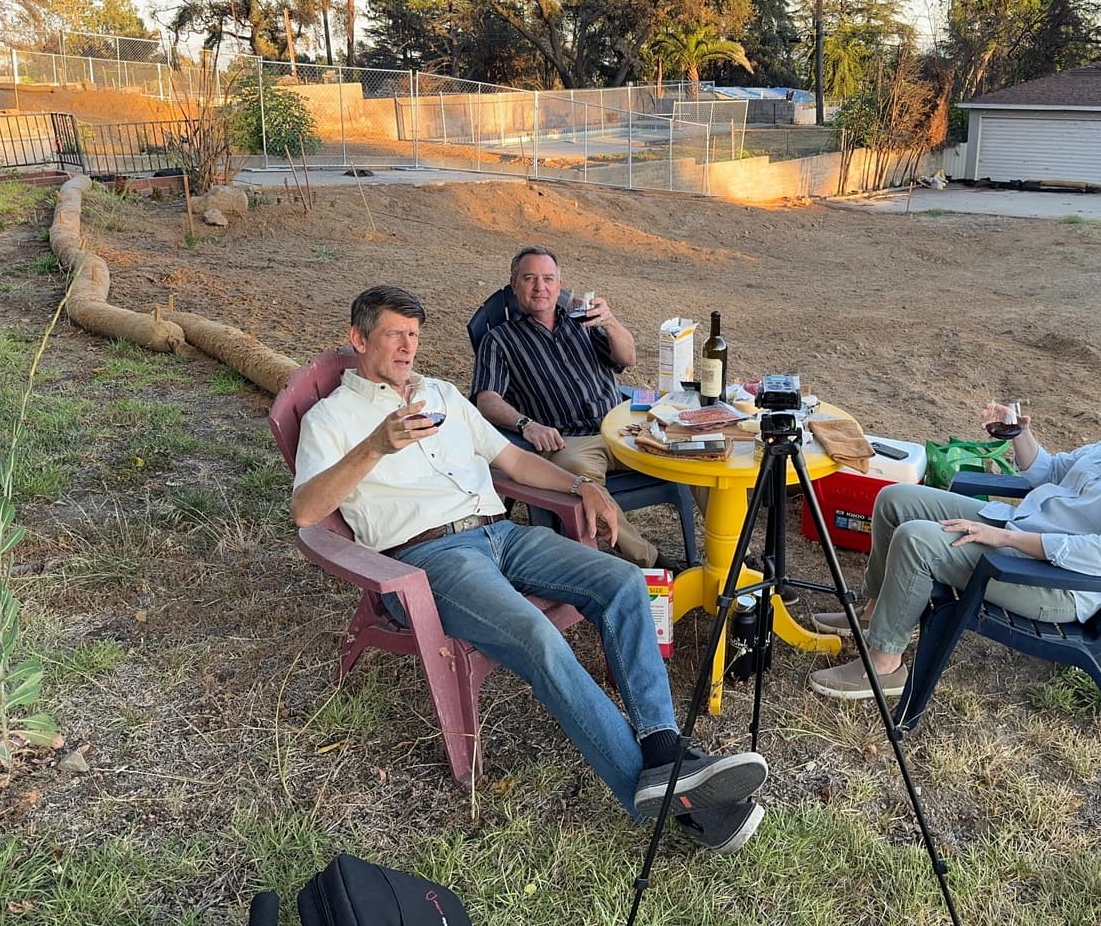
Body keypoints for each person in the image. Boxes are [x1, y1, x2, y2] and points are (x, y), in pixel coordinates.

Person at [291, 285, 767, 851]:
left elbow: (513, 459)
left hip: (502, 534)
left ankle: (664, 748)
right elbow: (307, 512)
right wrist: (374, 446)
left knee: (621, 581)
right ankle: (664, 802)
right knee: (537, 637)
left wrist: (581, 484)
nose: (407, 347)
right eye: (395, 334)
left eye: (413, 335)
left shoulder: (440, 394)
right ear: (358, 337)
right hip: (429, 557)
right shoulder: (331, 418)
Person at [807, 346, 1101, 701]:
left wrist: (1007, 539)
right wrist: (1018, 435)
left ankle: (884, 664)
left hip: (1056, 582)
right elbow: (1052, 472)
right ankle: (876, 611)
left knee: (917, 540)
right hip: (1019, 529)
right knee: (896, 499)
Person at [471, 245, 679, 573]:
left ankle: (733, 552)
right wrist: (527, 425)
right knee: (579, 476)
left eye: (548, 279)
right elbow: (487, 399)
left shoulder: (582, 322)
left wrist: (610, 322)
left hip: (622, 429)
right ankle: (655, 563)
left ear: (559, 284)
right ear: (514, 284)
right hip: (571, 441)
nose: (540, 287)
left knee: (692, 447)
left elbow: (627, 358)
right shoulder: (499, 340)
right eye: (529, 279)